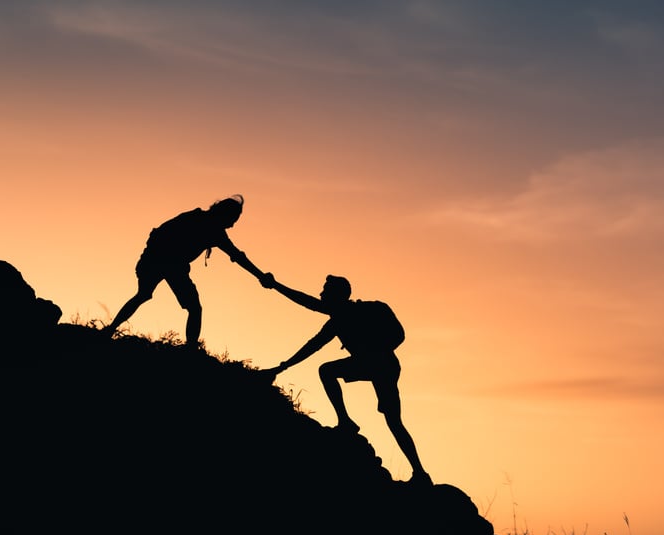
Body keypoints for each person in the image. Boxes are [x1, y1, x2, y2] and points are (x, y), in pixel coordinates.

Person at [260, 274, 432, 486]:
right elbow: (311, 345)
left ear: (337, 295)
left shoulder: (369, 310)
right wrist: (282, 367)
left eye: (325, 291)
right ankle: (346, 422)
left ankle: (420, 473)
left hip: (385, 366)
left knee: (394, 421)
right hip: (373, 364)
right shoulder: (336, 322)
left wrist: (375, 351)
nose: (321, 294)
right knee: (327, 371)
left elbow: (399, 335)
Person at [102, 195, 272, 346]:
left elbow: (237, 255)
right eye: (233, 219)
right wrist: (261, 276)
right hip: (165, 261)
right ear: (224, 214)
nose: (233, 225)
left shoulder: (204, 223)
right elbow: (160, 233)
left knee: (145, 295)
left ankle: (110, 330)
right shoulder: (206, 225)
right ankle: (190, 350)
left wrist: (260, 276)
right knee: (192, 307)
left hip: (163, 262)